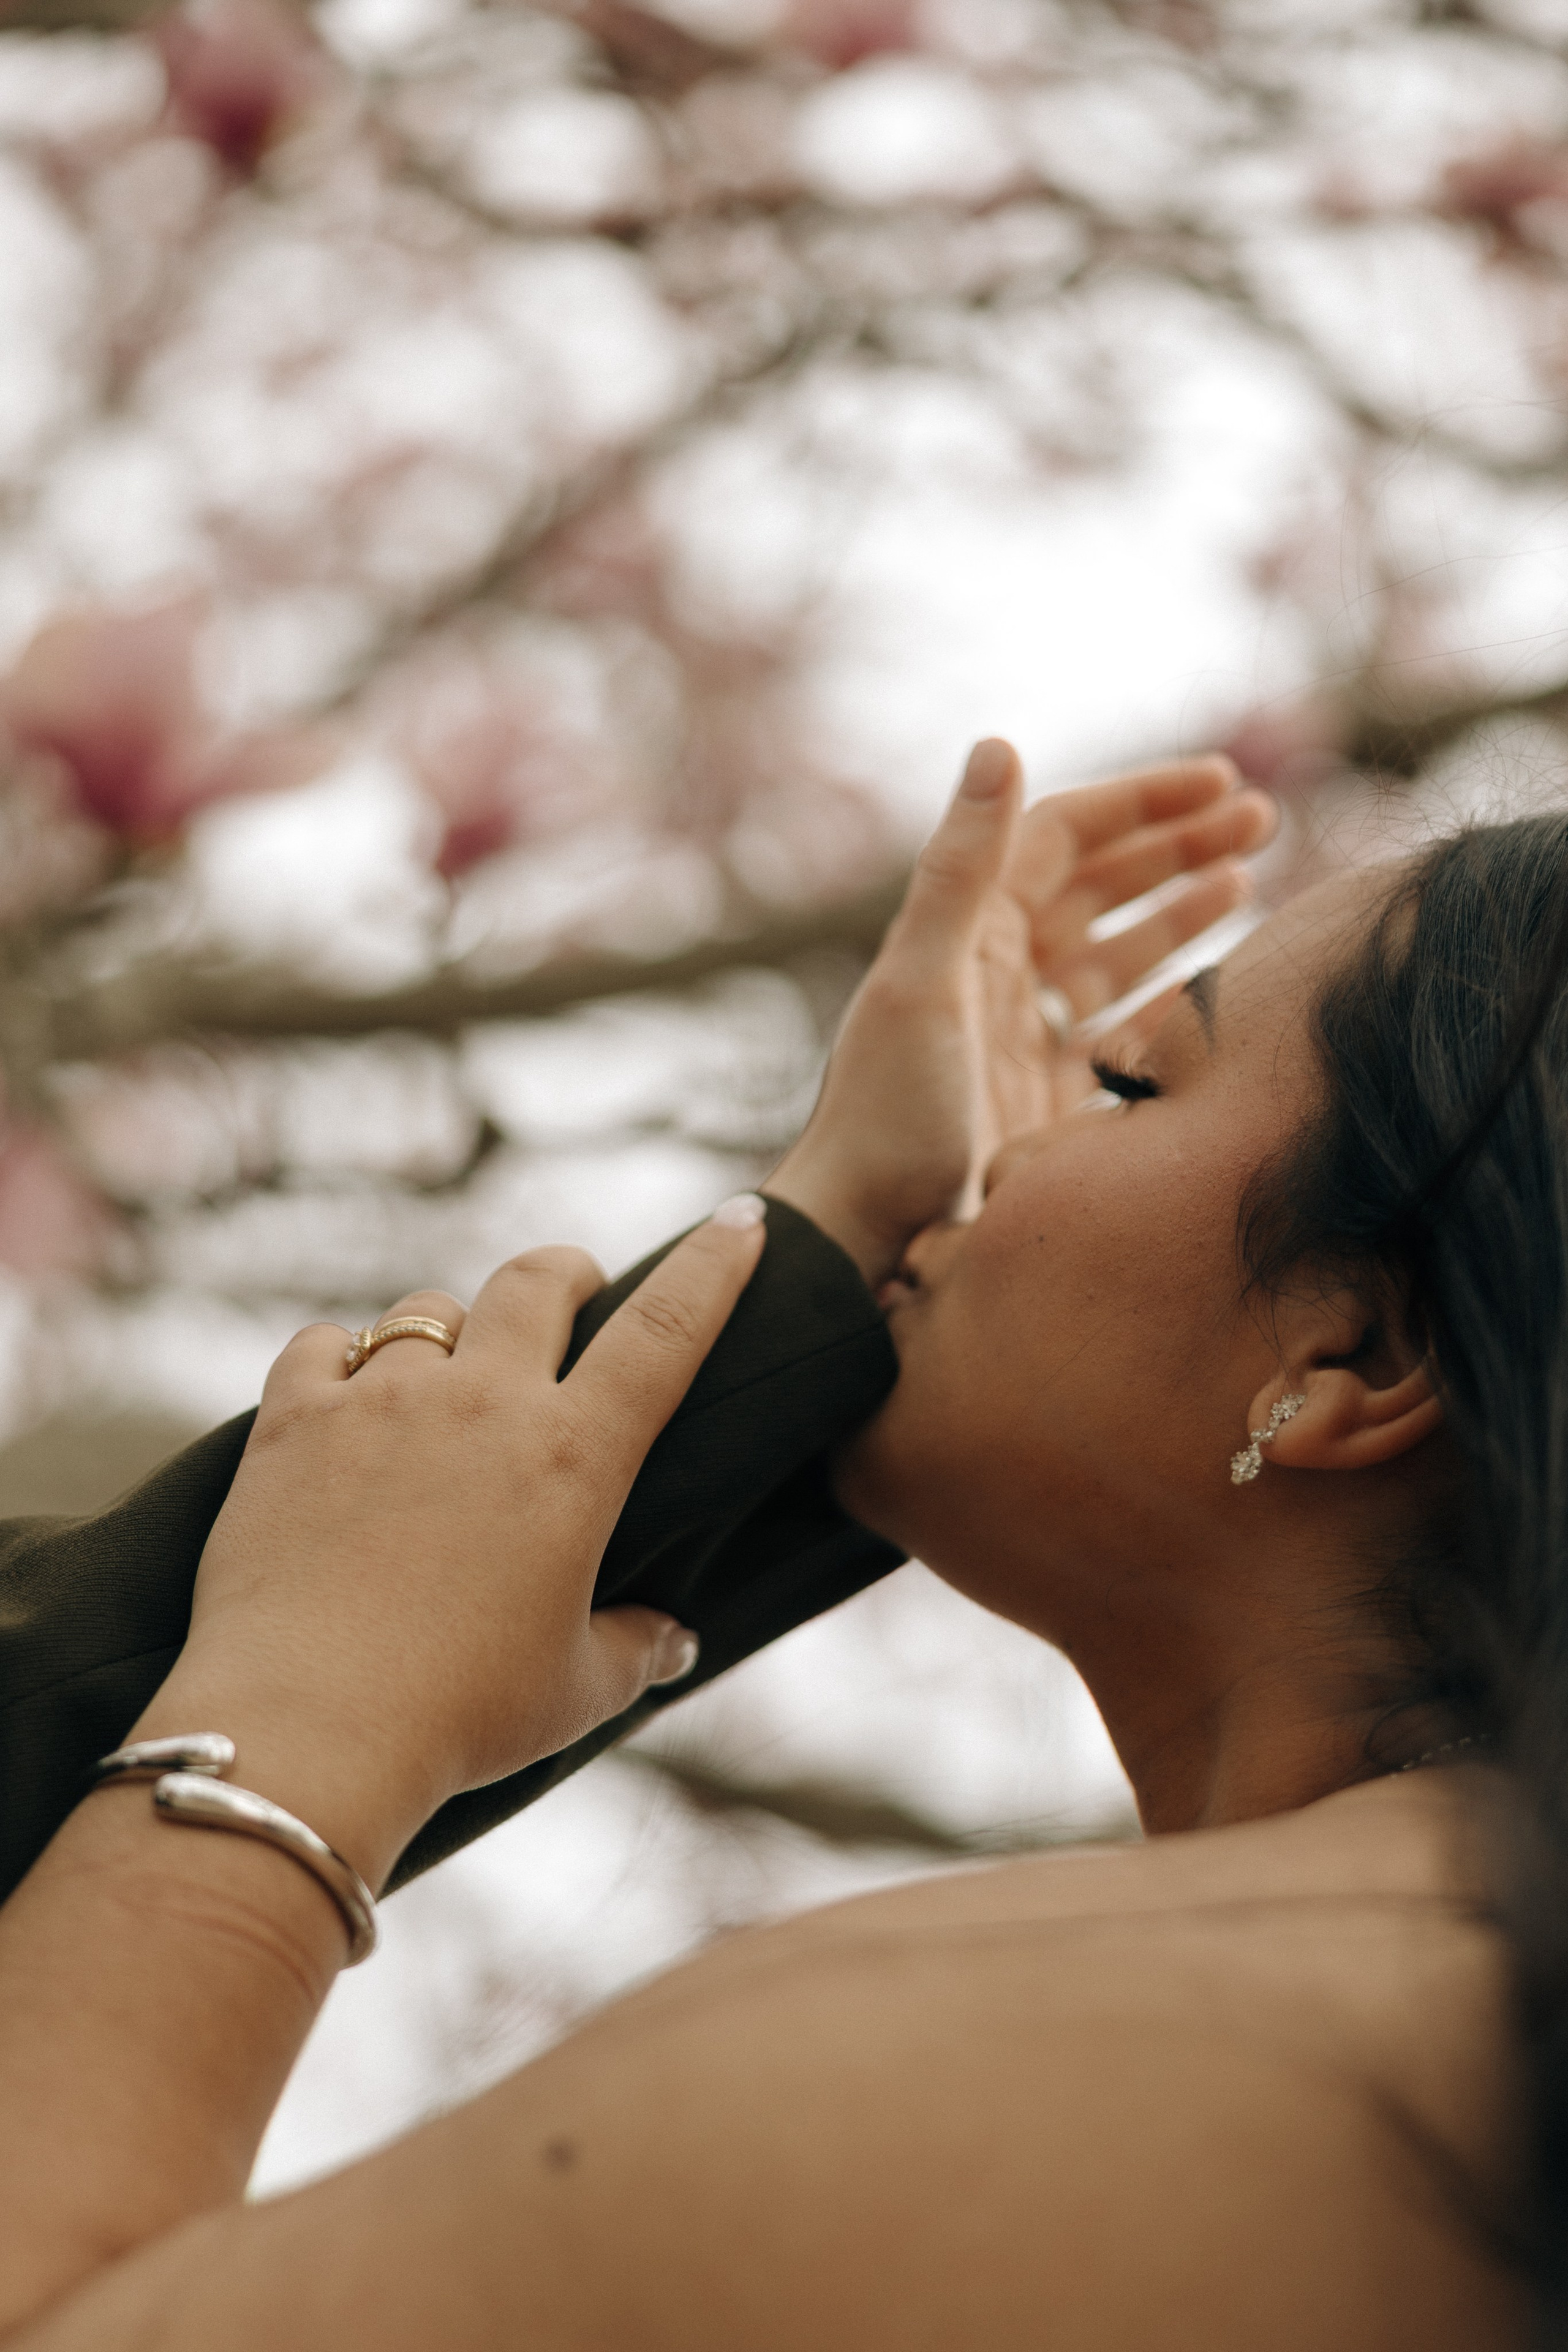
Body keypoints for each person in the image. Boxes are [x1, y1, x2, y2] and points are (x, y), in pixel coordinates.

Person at [0, 738, 1538, 2348]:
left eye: (1134, 1082)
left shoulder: (1022, 2081)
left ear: (1352, 1354)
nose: (1009, 1151)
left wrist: (293, 1724)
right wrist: (835, 1261)